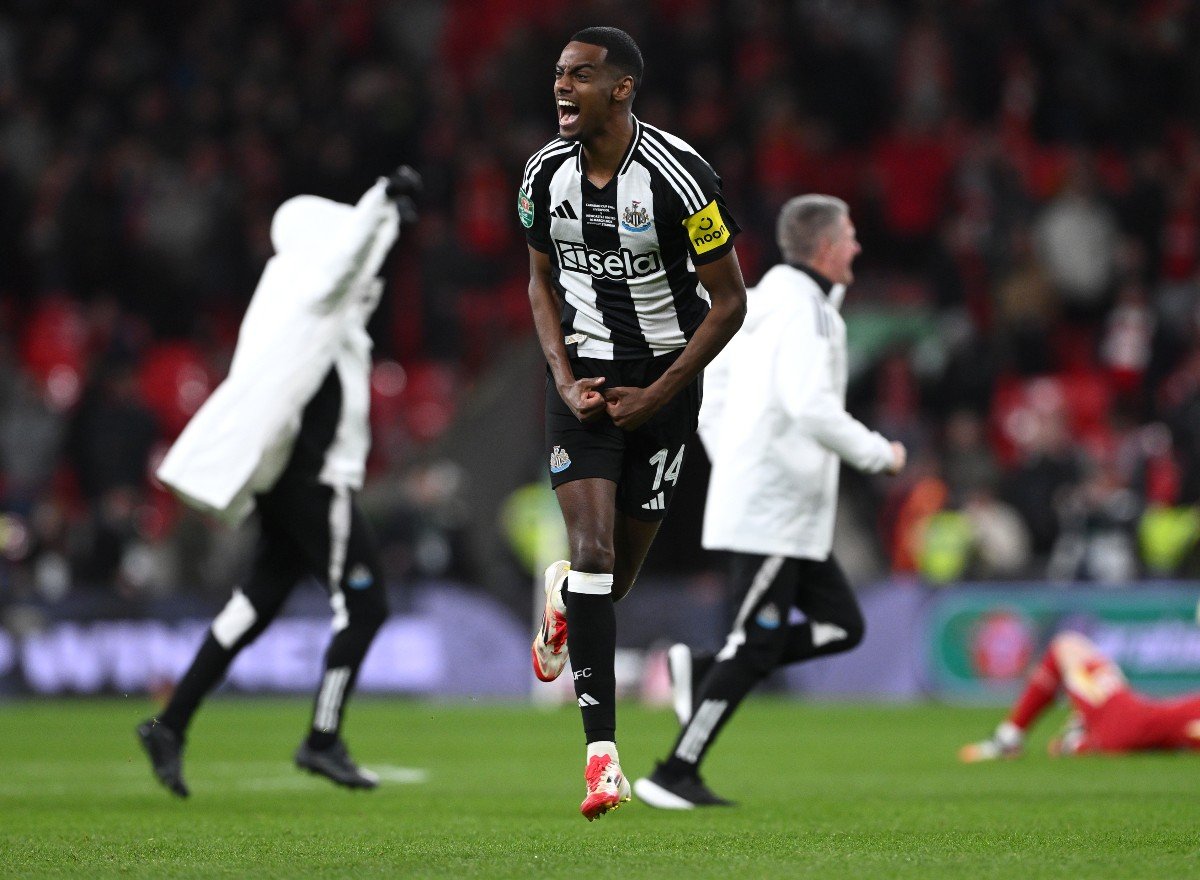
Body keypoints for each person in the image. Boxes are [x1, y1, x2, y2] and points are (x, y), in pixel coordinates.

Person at [520, 26, 747, 820]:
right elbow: (540, 284)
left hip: (665, 389)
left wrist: (660, 394)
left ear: (621, 89)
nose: (561, 87)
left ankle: (566, 602)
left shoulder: (681, 179)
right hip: (582, 387)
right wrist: (560, 376)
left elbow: (731, 303)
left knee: (605, 586)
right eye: (557, 74)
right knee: (592, 551)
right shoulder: (543, 174)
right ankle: (601, 760)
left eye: (580, 76)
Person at [135, 168, 421, 798]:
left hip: (287, 473)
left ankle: (170, 722)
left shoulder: (290, 294)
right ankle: (322, 739)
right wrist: (381, 202)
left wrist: (387, 223)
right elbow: (345, 266)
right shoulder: (310, 286)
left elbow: (353, 274)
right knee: (365, 605)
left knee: (257, 601)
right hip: (315, 478)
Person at [633, 195, 907, 809]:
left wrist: (732, 452)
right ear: (827, 246)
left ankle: (706, 669)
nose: (858, 248)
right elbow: (810, 406)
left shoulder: (757, 303)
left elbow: (711, 384)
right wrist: (878, 454)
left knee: (843, 625)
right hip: (776, 509)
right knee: (756, 644)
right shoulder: (807, 312)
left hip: (781, 504)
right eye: (852, 236)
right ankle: (675, 771)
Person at [960, 630, 1200, 761]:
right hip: (1136, 729)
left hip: (1131, 718)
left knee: (1067, 645)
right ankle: (1081, 740)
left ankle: (1008, 739)